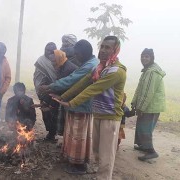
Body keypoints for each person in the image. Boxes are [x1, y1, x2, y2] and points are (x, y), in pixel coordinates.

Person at [52, 36, 126, 180]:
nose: (103, 50)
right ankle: (101, 175)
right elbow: (83, 82)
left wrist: (71, 103)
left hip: (110, 117)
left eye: (107, 47)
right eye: (102, 46)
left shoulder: (117, 71)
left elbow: (93, 88)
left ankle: (104, 177)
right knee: (97, 151)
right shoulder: (100, 68)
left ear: (115, 50)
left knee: (106, 155)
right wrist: (63, 96)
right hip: (98, 114)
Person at [44, 40, 98, 174]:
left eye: (77, 54)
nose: (76, 57)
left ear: (83, 53)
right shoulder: (89, 63)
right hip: (76, 104)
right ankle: (73, 160)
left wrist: (51, 87)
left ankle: (79, 165)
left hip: (81, 105)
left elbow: (71, 80)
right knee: (74, 135)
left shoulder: (89, 66)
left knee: (78, 137)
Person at [131, 48, 166, 161]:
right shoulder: (146, 70)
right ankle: (143, 146)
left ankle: (151, 151)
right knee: (142, 126)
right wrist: (134, 102)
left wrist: (141, 107)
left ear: (151, 58)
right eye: (143, 56)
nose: (144, 58)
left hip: (151, 106)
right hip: (149, 105)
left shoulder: (151, 72)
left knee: (145, 128)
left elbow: (148, 93)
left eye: (147, 56)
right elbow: (139, 88)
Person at [33, 42, 59, 142]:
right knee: (45, 112)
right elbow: (37, 76)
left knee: (54, 113)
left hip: (56, 90)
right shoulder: (41, 60)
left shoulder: (58, 60)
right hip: (43, 91)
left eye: (52, 51)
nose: (50, 52)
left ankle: (53, 133)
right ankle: (50, 133)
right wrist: (40, 87)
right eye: (47, 50)